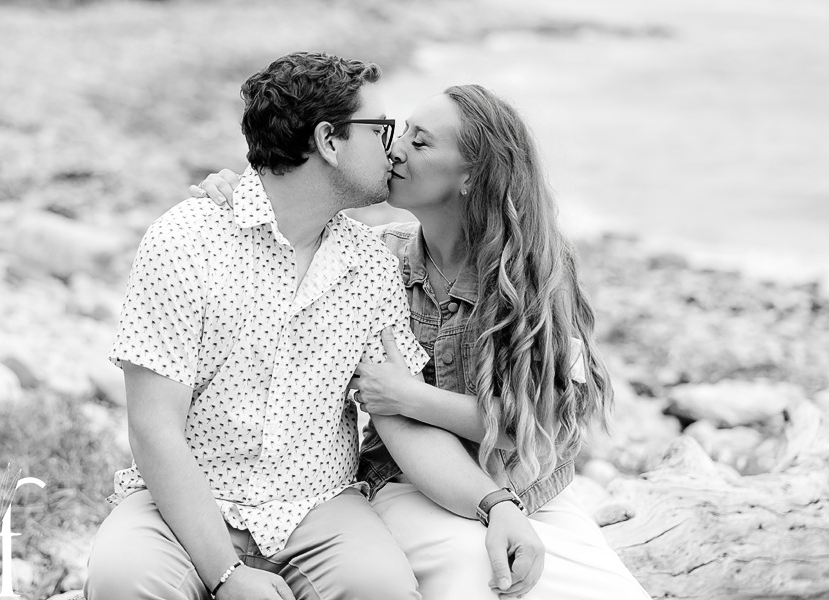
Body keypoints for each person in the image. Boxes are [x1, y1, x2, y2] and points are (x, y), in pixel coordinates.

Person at [85, 52, 546, 600]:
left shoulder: (371, 266)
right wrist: (228, 577)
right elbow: (153, 429)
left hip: (319, 508)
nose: (393, 148)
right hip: (182, 500)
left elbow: (400, 419)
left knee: (385, 592)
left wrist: (497, 505)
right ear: (329, 141)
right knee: (122, 583)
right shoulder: (185, 242)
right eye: (381, 130)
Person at [193, 84, 652, 599]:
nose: (395, 149)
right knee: (479, 573)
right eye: (402, 132)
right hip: (405, 483)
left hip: (527, 486)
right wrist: (240, 193)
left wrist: (412, 396)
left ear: (471, 176)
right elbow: (289, 225)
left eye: (422, 142)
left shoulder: (535, 270)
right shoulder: (379, 260)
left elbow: (535, 425)